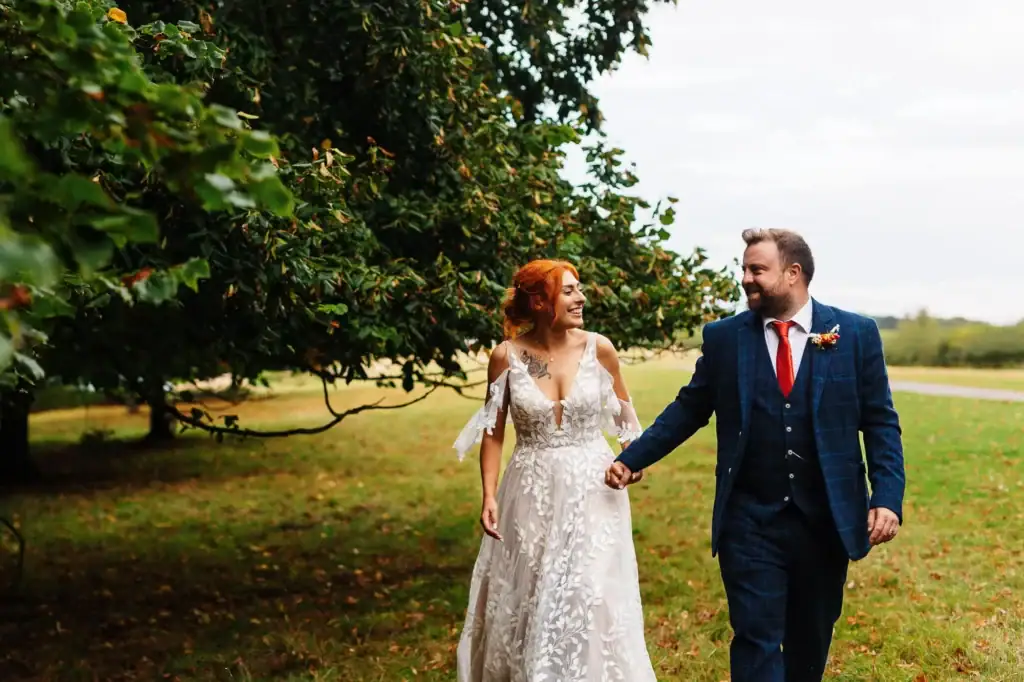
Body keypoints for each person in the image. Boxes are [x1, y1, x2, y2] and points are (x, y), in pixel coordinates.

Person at [605, 228, 906, 682]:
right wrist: (633, 457)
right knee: (755, 638)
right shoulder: (725, 338)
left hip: (826, 519)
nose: (745, 278)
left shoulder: (856, 334)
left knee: (810, 640)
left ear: (793, 273)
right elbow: (690, 408)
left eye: (757, 269)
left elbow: (880, 421)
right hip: (749, 520)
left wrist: (886, 497)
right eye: (744, 269)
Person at [453, 259, 658, 681]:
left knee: (591, 592)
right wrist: (489, 495)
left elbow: (627, 425)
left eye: (578, 289)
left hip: (594, 491)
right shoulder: (506, 356)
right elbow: (493, 432)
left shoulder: (600, 348)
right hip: (530, 491)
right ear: (539, 302)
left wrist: (631, 462)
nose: (581, 298)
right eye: (568, 291)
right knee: (531, 592)